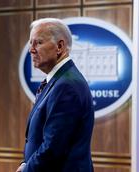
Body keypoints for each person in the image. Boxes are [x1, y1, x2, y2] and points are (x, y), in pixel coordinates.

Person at [16, 18, 94, 172]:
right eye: (30, 43)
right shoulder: (59, 81)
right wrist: (26, 163)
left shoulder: (67, 85)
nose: (31, 49)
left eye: (38, 42)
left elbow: (53, 147)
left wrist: (26, 169)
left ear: (59, 46)